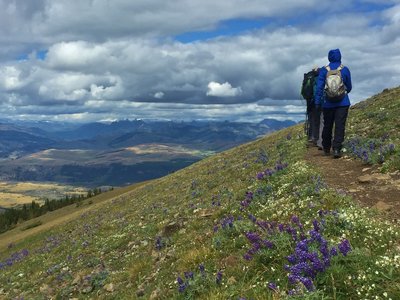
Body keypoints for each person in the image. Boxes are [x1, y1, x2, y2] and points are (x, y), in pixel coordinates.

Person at [315, 49, 352, 158]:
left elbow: (319, 88)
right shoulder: (344, 69)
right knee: (340, 126)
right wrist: (344, 92)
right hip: (343, 102)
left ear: (329, 57)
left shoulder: (324, 70)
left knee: (328, 125)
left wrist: (317, 102)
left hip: (328, 103)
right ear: (340, 56)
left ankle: (326, 148)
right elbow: (349, 86)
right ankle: (336, 149)